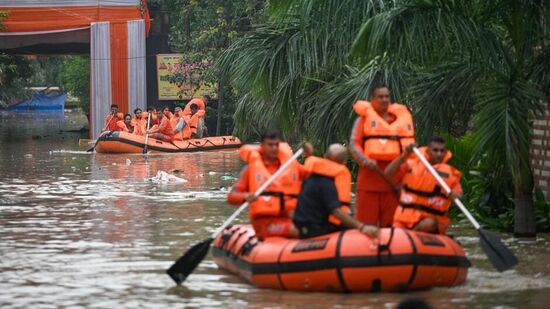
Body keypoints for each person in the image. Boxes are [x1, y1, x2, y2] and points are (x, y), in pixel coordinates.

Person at [349, 84, 415, 227]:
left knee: (392, 226)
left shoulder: (401, 122)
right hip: (369, 182)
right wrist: (365, 160)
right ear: (372, 99)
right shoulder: (363, 120)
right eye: (380, 97)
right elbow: (354, 145)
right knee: (366, 225)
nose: (384, 99)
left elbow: (408, 149)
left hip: (394, 183)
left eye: (387, 96)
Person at [227, 130, 309, 239]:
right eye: (270, 145)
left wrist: (309, 155)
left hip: (289, 218)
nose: (274, 148)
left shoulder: (290, 166)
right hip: (264, 223)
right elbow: (231, 197)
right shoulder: (251, 170)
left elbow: (312, 176)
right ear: (262, 146)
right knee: (299, 231)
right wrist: (245, 197)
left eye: (276, 145)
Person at [293, 144, 379, 238]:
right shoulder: (327, 183)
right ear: (344, 162)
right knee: (361, 228)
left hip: (304, 225)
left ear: (325, 157)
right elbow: (336, 212)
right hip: (316, 229)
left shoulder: (310, 177)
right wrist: (362, 227)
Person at [384, 137, 462, 234]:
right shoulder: (411, 165)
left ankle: (411, 236)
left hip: (431, 221)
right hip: (405, 218)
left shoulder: (451, 173)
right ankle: (406, 237)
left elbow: (458, 194)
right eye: (435, 150)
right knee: (395, 232)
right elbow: (387, 174)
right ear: (428, 151)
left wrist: (455, 195)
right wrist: (404, 156)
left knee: (429, 223)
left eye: (442, 151)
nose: (439, 154)